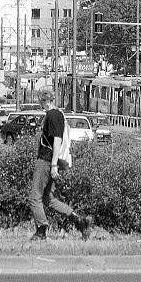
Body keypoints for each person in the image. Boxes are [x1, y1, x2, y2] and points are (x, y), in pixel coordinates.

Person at [29, 88, 92, 241]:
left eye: (40, 101)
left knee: (34, 198)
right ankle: (80, 221)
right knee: (49, 199)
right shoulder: (60, 115)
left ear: (44, 101)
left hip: (46, 160)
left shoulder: (52, 116)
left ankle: (41, 230)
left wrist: (53, 165)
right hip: (50, 160)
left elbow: (57, 140)